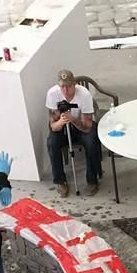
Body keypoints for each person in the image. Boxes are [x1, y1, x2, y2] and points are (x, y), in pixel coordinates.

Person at [46, 68, 102, 198]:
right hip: (63, 125)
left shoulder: (84, 95)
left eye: (69, 86)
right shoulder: (52, 94)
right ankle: (60, 180)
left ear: (74, 84)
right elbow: (53, 125)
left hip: (81, 124)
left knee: (91, 141)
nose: (65, 91)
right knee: (51, 142)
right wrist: (61, 121)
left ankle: (92, 179)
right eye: (62, 87)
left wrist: (73, 120)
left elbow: (87, 127)